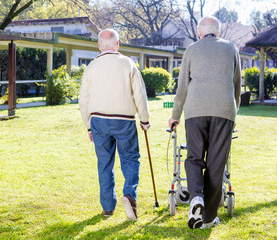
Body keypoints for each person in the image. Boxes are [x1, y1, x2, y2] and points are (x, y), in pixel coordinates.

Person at [168, 16, 241, 229]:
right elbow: (237, 85)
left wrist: (175, 115)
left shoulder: (191, 49)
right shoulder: (231, 48)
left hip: (195, 111)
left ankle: (196, 198)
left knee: (193, 157)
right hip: (223, 110)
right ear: (218, 31)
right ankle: (208, 218)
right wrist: (233, 114)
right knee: (216, 165)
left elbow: (182, 87)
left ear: (200, 33)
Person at [79, 29, 150, 221]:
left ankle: (108, 208)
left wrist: (88, 125)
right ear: (117, 44)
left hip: (98, 120)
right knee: (130, 159)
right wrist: (144, 119)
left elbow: (83, 99)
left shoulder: (91, 66)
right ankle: (129, 195)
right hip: (124, 119)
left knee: (104, 164)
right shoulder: (128, 63)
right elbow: (140, 95)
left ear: (99, 45)